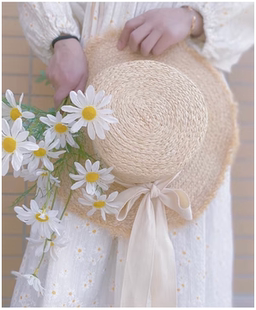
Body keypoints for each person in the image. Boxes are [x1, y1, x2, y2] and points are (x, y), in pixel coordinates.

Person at [10, 2, 253, 307]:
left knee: (183, 267)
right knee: (73, 268)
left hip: (187, 101)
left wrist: (195, 17)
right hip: (95, 81)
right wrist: (61, 39)